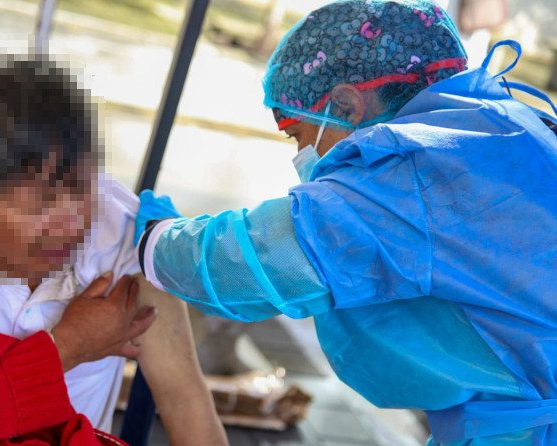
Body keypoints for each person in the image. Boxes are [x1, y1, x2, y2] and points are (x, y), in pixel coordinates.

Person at [134, 0, 557, 444]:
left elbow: (253, 259)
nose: (300, 156)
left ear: (346, 104)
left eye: (297, 135)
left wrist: (152, 240)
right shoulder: (509, 126)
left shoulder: (408, 172)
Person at [0, 50, 227, 445]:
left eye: (85, 188)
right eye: (40, 203)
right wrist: (69, 346)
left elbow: (184, 400)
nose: (73, 224)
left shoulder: (127, 240)